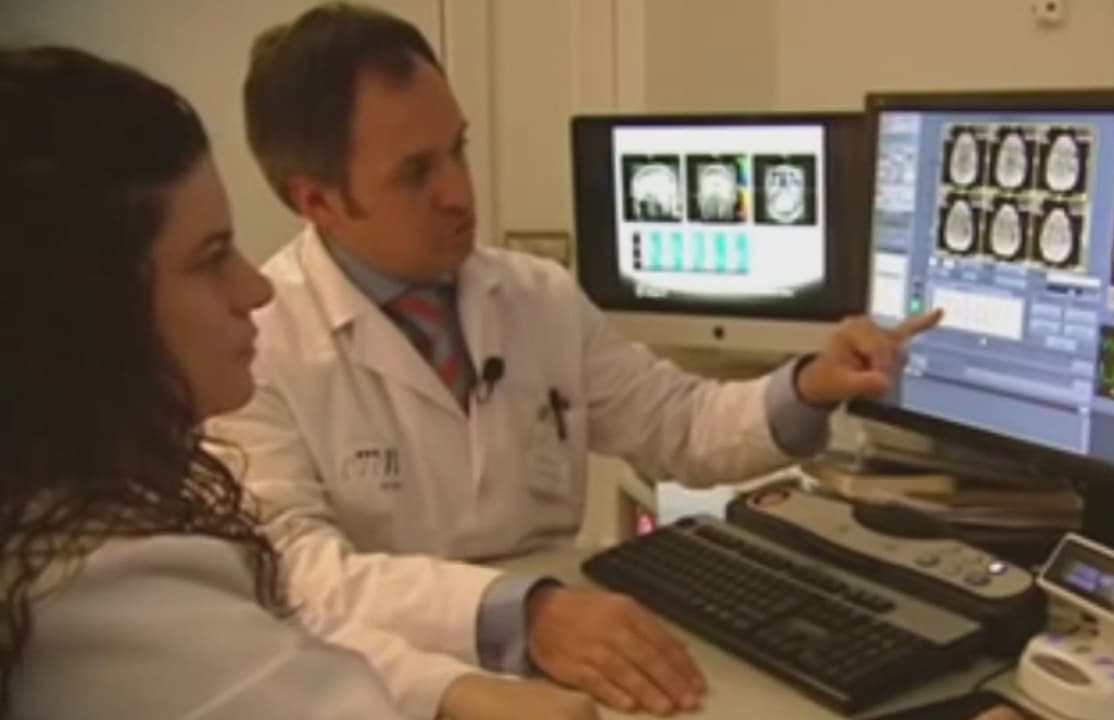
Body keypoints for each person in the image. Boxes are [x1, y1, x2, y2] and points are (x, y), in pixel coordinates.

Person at [206, 3, 944, 717]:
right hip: (396, 686)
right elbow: (296, 576)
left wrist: (809, 386)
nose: (459, 193)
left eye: (459, 149)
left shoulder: (538, 296)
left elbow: (679, 424)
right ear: (318, 201)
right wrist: (522, 613)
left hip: (578, 662)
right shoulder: (256, 347)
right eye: (415, 173)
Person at [0, 45, 597, 720]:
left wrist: (445, 690)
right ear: (83, 315)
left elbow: (274, 614)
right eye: (210, 259)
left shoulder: (93, 515)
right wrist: (502, 632)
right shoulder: (106, 595)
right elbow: (289, 598)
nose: (253, 289)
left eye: (457, 150)